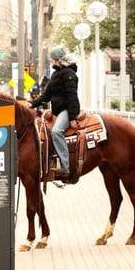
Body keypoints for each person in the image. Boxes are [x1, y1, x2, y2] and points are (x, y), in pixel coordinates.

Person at [28, 45, 80, 180]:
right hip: (57, 111)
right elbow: (46, 95)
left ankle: (65, 167)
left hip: (67, 110)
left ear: (58, 59)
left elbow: (72, 96)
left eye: (51, 58)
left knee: (56, 131)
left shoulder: (69, 74)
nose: (50, 60)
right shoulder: (56, 74)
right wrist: (31, 104)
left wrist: (73, 117)